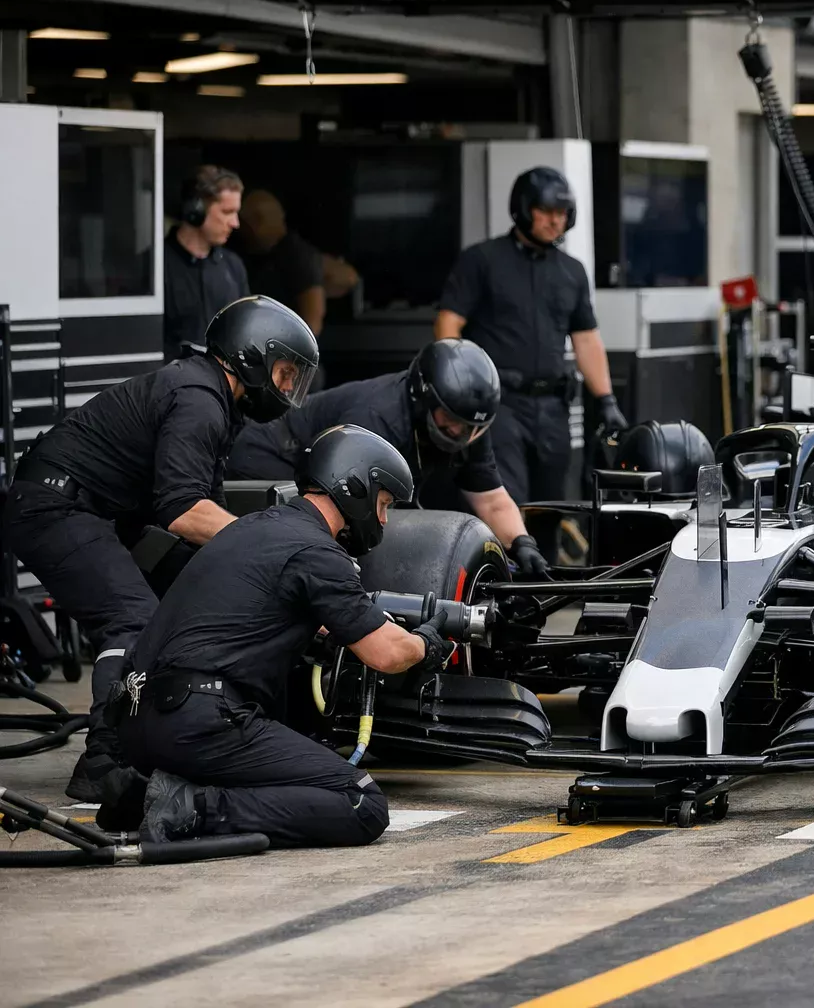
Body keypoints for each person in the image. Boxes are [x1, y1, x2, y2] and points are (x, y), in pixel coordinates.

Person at [2, 296, 319, 802]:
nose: (286, 389)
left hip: (91, 511)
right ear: (251, 355)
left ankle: (212, 733)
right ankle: (104, 762)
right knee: (133, 618)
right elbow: (184, 510)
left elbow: (206, 513)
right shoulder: (199, 399)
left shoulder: (214, 400)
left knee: (195, 593)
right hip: (54, 507)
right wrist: (274, 549)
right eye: (284, 374)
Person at [117, 425, 451, 847]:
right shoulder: (316, 551)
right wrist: (425, 644)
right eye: (383, 503)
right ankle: (195, 809)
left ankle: (138, 796)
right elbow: (385, 653)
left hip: (136, 721)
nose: (382, 519)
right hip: (199, 722)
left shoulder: (250, 528)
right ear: (354, 486)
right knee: (361, 803)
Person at [226, 338, 549, 578]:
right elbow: (355, 514)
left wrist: (522, 543)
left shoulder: (468, 427)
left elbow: (491, 500)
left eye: (472, 428)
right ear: (423, 397)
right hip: (273, 452)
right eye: (451, 421)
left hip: (315, 460)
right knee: (305, 543)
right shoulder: (376, 418)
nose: (460, 433)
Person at [434, 166, 627, 504]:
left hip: (554, 409)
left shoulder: (572, 272)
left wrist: (606, 400)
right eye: (546, 211)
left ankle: (545, 543)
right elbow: (448, 323)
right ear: (524, 209)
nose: (556, 221)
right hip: (500, 405)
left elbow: (586, 339)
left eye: (563, 213)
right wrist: (456, 387)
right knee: (509, 500)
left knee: (551, 506)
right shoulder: (482, 260)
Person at [164, 166, 249, 361]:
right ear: (196, 210)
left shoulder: (233, 266)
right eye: (227, 212)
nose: (235, 223)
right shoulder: (157, 267)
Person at [237, 189, 327, 338]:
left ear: (258, 221)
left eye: (245, 224)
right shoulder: (254, 255)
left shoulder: (297, 256)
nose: (238, 229)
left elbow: (312, 320)